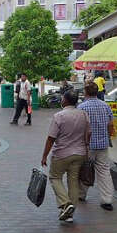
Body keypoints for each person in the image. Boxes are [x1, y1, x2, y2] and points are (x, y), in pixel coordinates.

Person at [41, 91, 91, 223]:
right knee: (73, 181)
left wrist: (44, 156)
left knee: (55, 177)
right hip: (79, 153)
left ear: (66, 101)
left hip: (62, 153)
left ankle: (65, 203)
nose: (61, 100)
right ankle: (69, 212)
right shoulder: (83, 114)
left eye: (63, 98)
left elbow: (51, 138)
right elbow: (88, 133)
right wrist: (86, 147)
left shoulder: (59, 116)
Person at [77, 82, 115, 211]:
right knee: (104, 172)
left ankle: (81, 194)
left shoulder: (82, 107)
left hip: (88, 145)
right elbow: (111, 125)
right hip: (103, 144)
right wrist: (108, 136)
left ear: (86, 92)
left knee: (85, 169)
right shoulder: (105, 106)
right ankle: (107, 199)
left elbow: (79, 127)